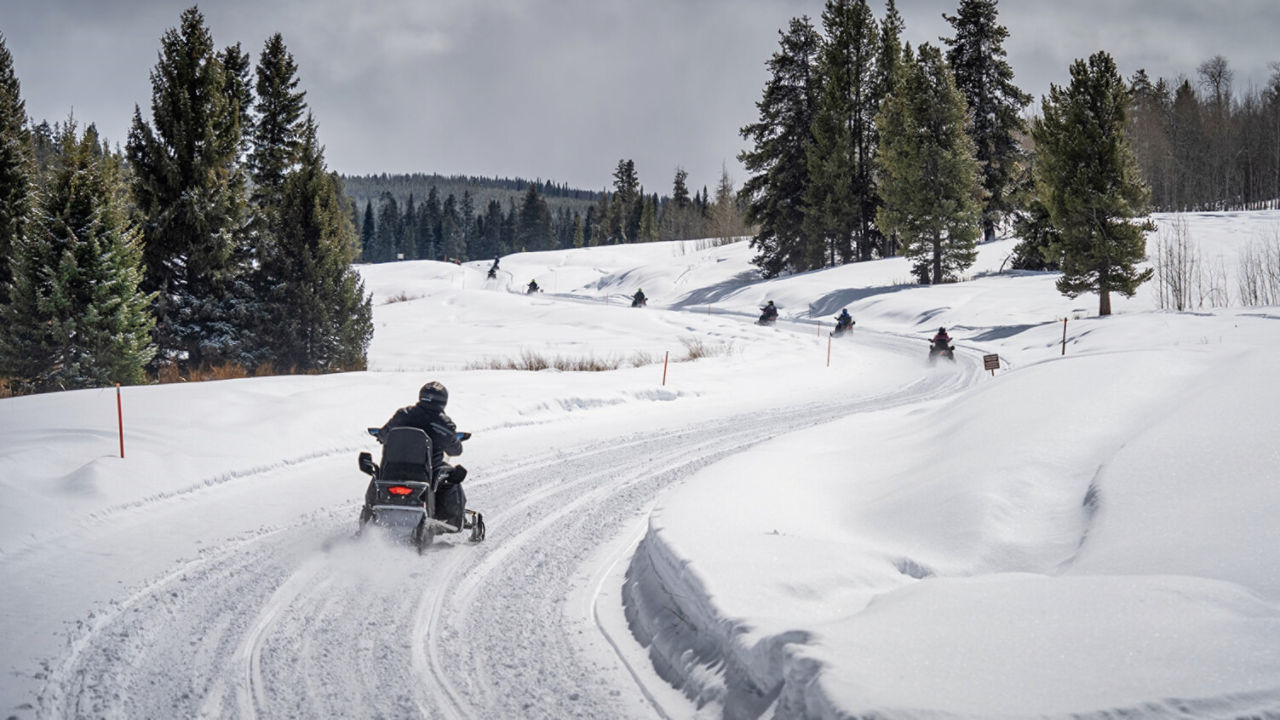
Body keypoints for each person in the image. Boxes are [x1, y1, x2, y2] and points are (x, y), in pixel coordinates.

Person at [374, 381, 469, 530]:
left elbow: (384, 434)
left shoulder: (402, 415)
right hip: (426, 472)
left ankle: (369, 515)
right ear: (443, 401)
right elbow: (455, 450)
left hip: (392, 470)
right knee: (453, 476)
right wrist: (454, 442)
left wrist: (381, 435)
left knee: (376, 475)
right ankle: (452, 518)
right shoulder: (443, 423)